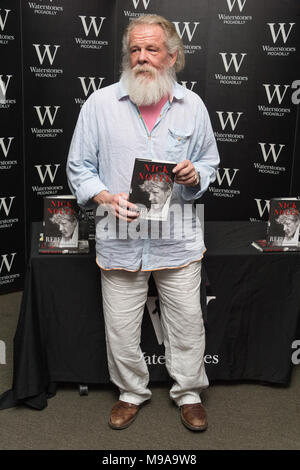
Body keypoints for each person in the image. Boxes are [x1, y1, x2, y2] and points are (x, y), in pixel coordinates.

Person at [67, 14, 220, 432]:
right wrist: (104, 196)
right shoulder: (99, 104)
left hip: (177, 241)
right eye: (135, 49)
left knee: (188, 325)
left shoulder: (193, 107)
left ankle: (189, 393)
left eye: (152, 49)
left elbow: (210, 163)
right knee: (120, 329)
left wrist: (196, 175)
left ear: (172, 56)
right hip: (121, 239)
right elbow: (79, 167)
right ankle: (131, 392)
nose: (142, 57)